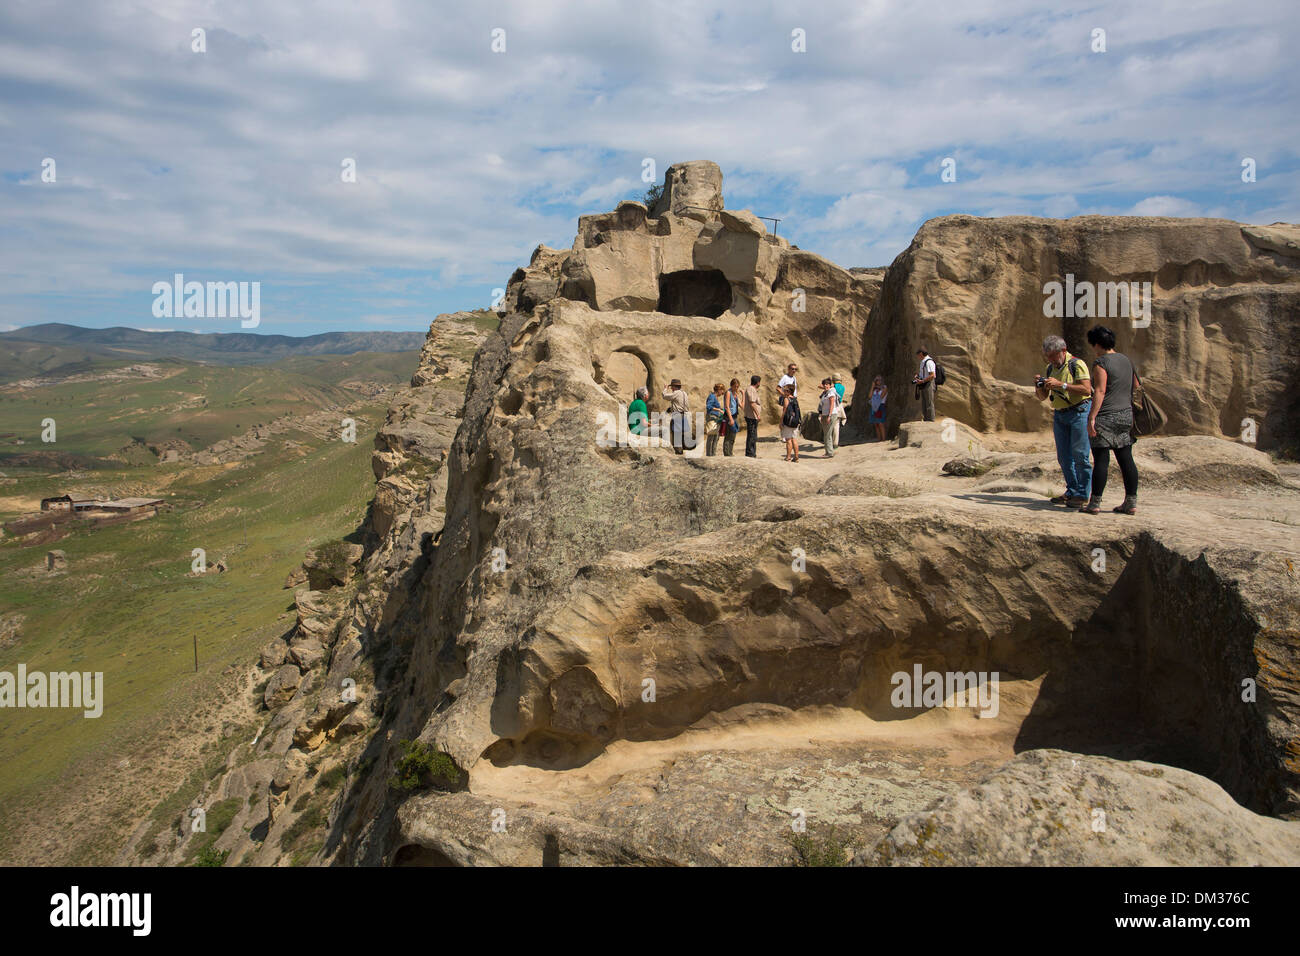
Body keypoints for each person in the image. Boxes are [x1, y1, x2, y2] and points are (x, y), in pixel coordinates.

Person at [1084, 325, 1139, 515]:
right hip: (1125, 414)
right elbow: (1137, 385)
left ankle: (1095, 503)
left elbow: (1100, 390)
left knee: (1101, 459)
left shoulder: (1101, 362)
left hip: (1106, 415)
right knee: (1126, 459)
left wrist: (1091, 417)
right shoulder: (1126, 360)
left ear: (1097, 344)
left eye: (1093, 345)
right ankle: (1131, 503)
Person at [1035, 334, 1093, 509]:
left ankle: (1082, 494)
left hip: (1079, 411)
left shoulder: (1077, 364)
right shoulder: (1050, 369)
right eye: (1048, 356)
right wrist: (1039, 385)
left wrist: (1062, 385)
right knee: (1064, 457)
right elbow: (1042, 397)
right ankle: (1072, 490)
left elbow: (1086, 389)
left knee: (1080, 454)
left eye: (1053, 355)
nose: (1051, 360)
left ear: (1063, 350)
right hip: (1060, 414)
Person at [662, 378, 690, 454]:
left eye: (671, 387)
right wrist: (671, 409)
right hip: (683, 415)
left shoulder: (676, 393)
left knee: (676, 435)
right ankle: (681, 451)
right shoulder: (684, 393)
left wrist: (665, 389)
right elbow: (680, 404)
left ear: (674, 386)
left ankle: (679, 453)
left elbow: (664, 396)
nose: (671, 389)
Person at [778, 384, 801, 462]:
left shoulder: (786, 399)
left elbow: (785, 410)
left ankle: (788, 457)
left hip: (788, 421)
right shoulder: (795, 399)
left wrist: (781, 421)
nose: (783, 392)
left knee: (788, 440)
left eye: (785, 390)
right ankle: (796, 456)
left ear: (788, 391)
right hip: (795, 422)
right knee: (794, 439)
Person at [818, 378, 840, 458]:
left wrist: (829, 415)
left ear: (830, 385)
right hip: (824, 414)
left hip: (830, 414)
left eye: (827, 384)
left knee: (827, 434)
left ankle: (829, 452)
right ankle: (828, 451)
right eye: (824, 384)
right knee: (826, 433)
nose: (825, 386)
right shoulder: (825, 392)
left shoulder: (831, 392)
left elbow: (832, 404)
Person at [913, 348, 936, 421]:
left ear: (921, 354)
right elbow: (923, 373)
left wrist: (922, 381)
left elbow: (932, 375)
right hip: (923, 383)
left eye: (918, 355)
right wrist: (917, 375)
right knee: (924, 402)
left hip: (928, 383)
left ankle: (931, 420)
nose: (918, 357)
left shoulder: (929, 362)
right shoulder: (923, 362)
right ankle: (926, 419)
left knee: (929, 402)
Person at [743, 374, 762, 458]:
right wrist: (758, 414)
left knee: (753, 435)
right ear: (757, 382)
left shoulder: (753, 389)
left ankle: (752, 453)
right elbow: (752, 403)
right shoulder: (751, 389)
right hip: (751, 416)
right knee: (752, 435)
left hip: (753, 416)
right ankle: (750, 453)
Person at [705, 383, 726, 456]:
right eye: (722, 390)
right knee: (711, 437)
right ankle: (709, 454)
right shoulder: (712, 396)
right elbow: (708, 406)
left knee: (716, 437)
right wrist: (719, 410)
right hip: (712, 418)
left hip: (716, 419)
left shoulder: (715, 397)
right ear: (719, 390)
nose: (722, 393)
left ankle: (713, 454)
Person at [723, 379, 742, 456]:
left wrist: (743, 394)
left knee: (733, 435)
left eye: (737, 386)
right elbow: (727, 406)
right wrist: (730, 419)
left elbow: (741, 405)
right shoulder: (728, 393)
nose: (736, 388)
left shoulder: (736, 394)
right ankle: (727, 453)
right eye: (735, 386)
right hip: (729, 416)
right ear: (731, 385)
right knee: (728, 435)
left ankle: (730, 452)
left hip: (734, 416)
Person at [868, 376, 887, 441]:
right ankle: (879, 439)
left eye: (879, 380)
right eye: (877, 380)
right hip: (874, 406)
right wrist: (872, 387)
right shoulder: (874, 389)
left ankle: (883, 439)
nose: (878, 381)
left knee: (881, 423)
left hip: (880, 406)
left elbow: (881, 397)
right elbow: (870, 396)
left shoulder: (884, 387)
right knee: (876, 424)